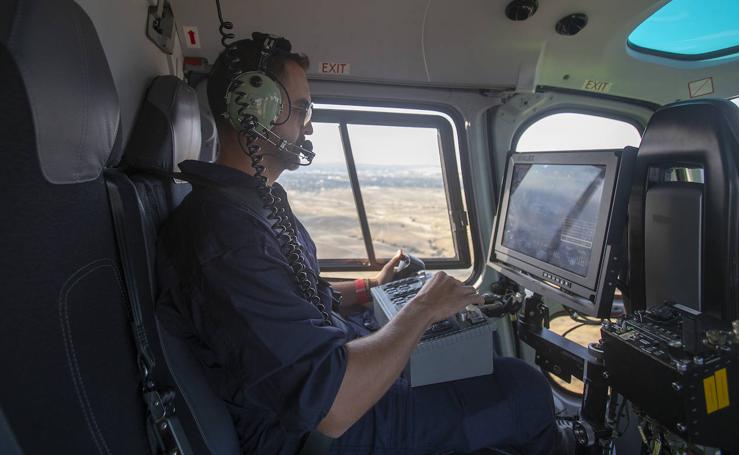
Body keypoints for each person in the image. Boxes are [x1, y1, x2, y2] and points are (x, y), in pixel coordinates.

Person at [156, 34, 566, 455]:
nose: (310, 124)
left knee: (481, 355)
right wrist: (422, 309)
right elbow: (330, 405)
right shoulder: (223, 236)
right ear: (254, 109)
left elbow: (287, 301)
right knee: (525, 388)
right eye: (302, 109)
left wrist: (370, 290)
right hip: (317, 432)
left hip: (324, 383)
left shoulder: (246, 206)